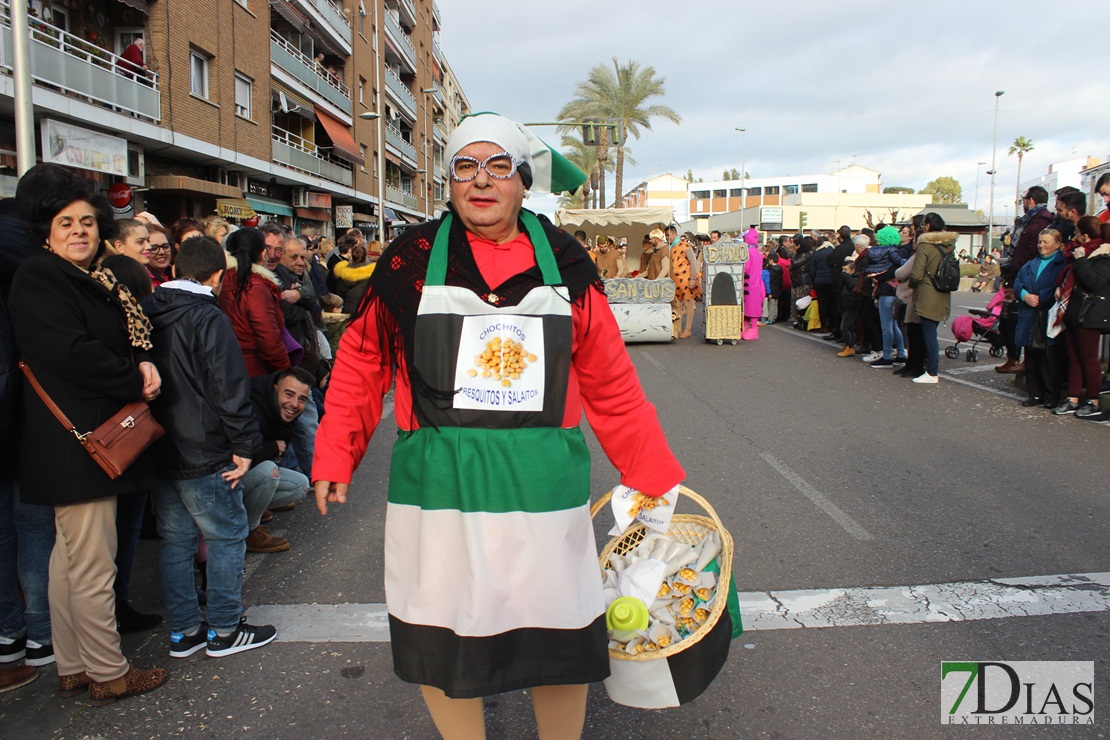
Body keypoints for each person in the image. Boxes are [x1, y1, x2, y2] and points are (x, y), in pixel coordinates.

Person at [312, 112, 684, 739]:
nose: (481, 181)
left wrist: (648, 470)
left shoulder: (564, 260)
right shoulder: (411, 258)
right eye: (465, 166)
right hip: (437, 487)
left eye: (497, 167)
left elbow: (610, 379)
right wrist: (334, 454)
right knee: (441, 628)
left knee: (557, 632)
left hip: (541, 485)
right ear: (449, 181)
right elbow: (362, 357)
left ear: (522, 181)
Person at [7, 164, 167, 703]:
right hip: (78, 444)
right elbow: (67, 352)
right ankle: (109, 671)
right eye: (66, 222)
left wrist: (139, 359)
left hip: (75, 443)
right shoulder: (41, 276)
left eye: (88, 222)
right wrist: (135, 374)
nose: (80, 231)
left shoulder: (86, 276)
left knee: (69, 559)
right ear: (45, 229)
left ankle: (74, 663)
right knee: (93, 562)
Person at [142, 235, 277, 658]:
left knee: (176, 541)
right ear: (218, 274)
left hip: (160, 443)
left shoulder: (149, 308)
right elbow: (227, 386)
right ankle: (224, 628)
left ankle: (183, 631)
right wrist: (244, 443)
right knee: (227, 534)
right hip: (204, 448)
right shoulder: (207, 316)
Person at [239, 369, 313, 552]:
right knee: (269, 472)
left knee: (301, 484)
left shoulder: (283, 410)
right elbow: (240, 453)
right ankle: (250, 531)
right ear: (275, 389)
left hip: (248, 474)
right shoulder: (251, 405)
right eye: (289, 394)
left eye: (301, 399)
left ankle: (250, 512)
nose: (294, 404)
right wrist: (272, 447)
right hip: (226, 480)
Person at [1056, 217, 1110, 417]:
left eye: (1077, 232)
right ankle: (1072, 398)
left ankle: (1093, 401)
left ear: (1085, 235)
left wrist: (1081, 260)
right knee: (1074, 357)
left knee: (1088, 358)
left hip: (1092, 313)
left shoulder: (1103, 255)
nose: (1074, 236)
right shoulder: (1081, 254)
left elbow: (1094, 282)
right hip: (1075, 310)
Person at [219, 228, 291, 377]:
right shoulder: (255, 288)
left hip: (227, 366)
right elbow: (269, 342)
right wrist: (286, 374)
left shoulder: (220, 280)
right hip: (254, 371)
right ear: (263, 253)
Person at [1014, 229, 1067, 408]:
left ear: (1058, 244)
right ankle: (1034, 394)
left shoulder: (1063, 264)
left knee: (1050, 357)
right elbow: (1018, 282)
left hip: (1049, 315)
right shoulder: (1030, 264)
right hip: (1030, 313)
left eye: (1046, 242)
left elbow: (1060, 287)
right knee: (1031, 355)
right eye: (1039, 241)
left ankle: (1051, 396)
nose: (1041, 245)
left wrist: (1041, 296)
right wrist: (1024, 294)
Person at [908, 212, 957, 384]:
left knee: (928, 334)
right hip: (943, 291)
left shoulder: (925, 244)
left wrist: (912, 285)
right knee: (931, 332)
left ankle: (932, 372)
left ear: (927, 226)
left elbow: (916, 273)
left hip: (927, 292)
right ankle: (931, 370)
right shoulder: (949, 244)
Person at [863, 226, 907, 368]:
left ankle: (887, 356)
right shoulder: (895, 254)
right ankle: (901, 354)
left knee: (886, 326)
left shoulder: (873, 252)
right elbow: (901, 267)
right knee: (893, 325)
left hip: (884, 291)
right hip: (895, 290)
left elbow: (866, 268)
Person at [669, 231, 699, 338]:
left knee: (688, 304)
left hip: (686, 280)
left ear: (674, 234)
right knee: (677, 305)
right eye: (666, 236)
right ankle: (678, 329)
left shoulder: (685, 246)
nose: (667, 237)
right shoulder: (670, 249)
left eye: (668, 235)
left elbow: (693, 262)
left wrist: (692, 279)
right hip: (675, 281)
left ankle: (688, 329)